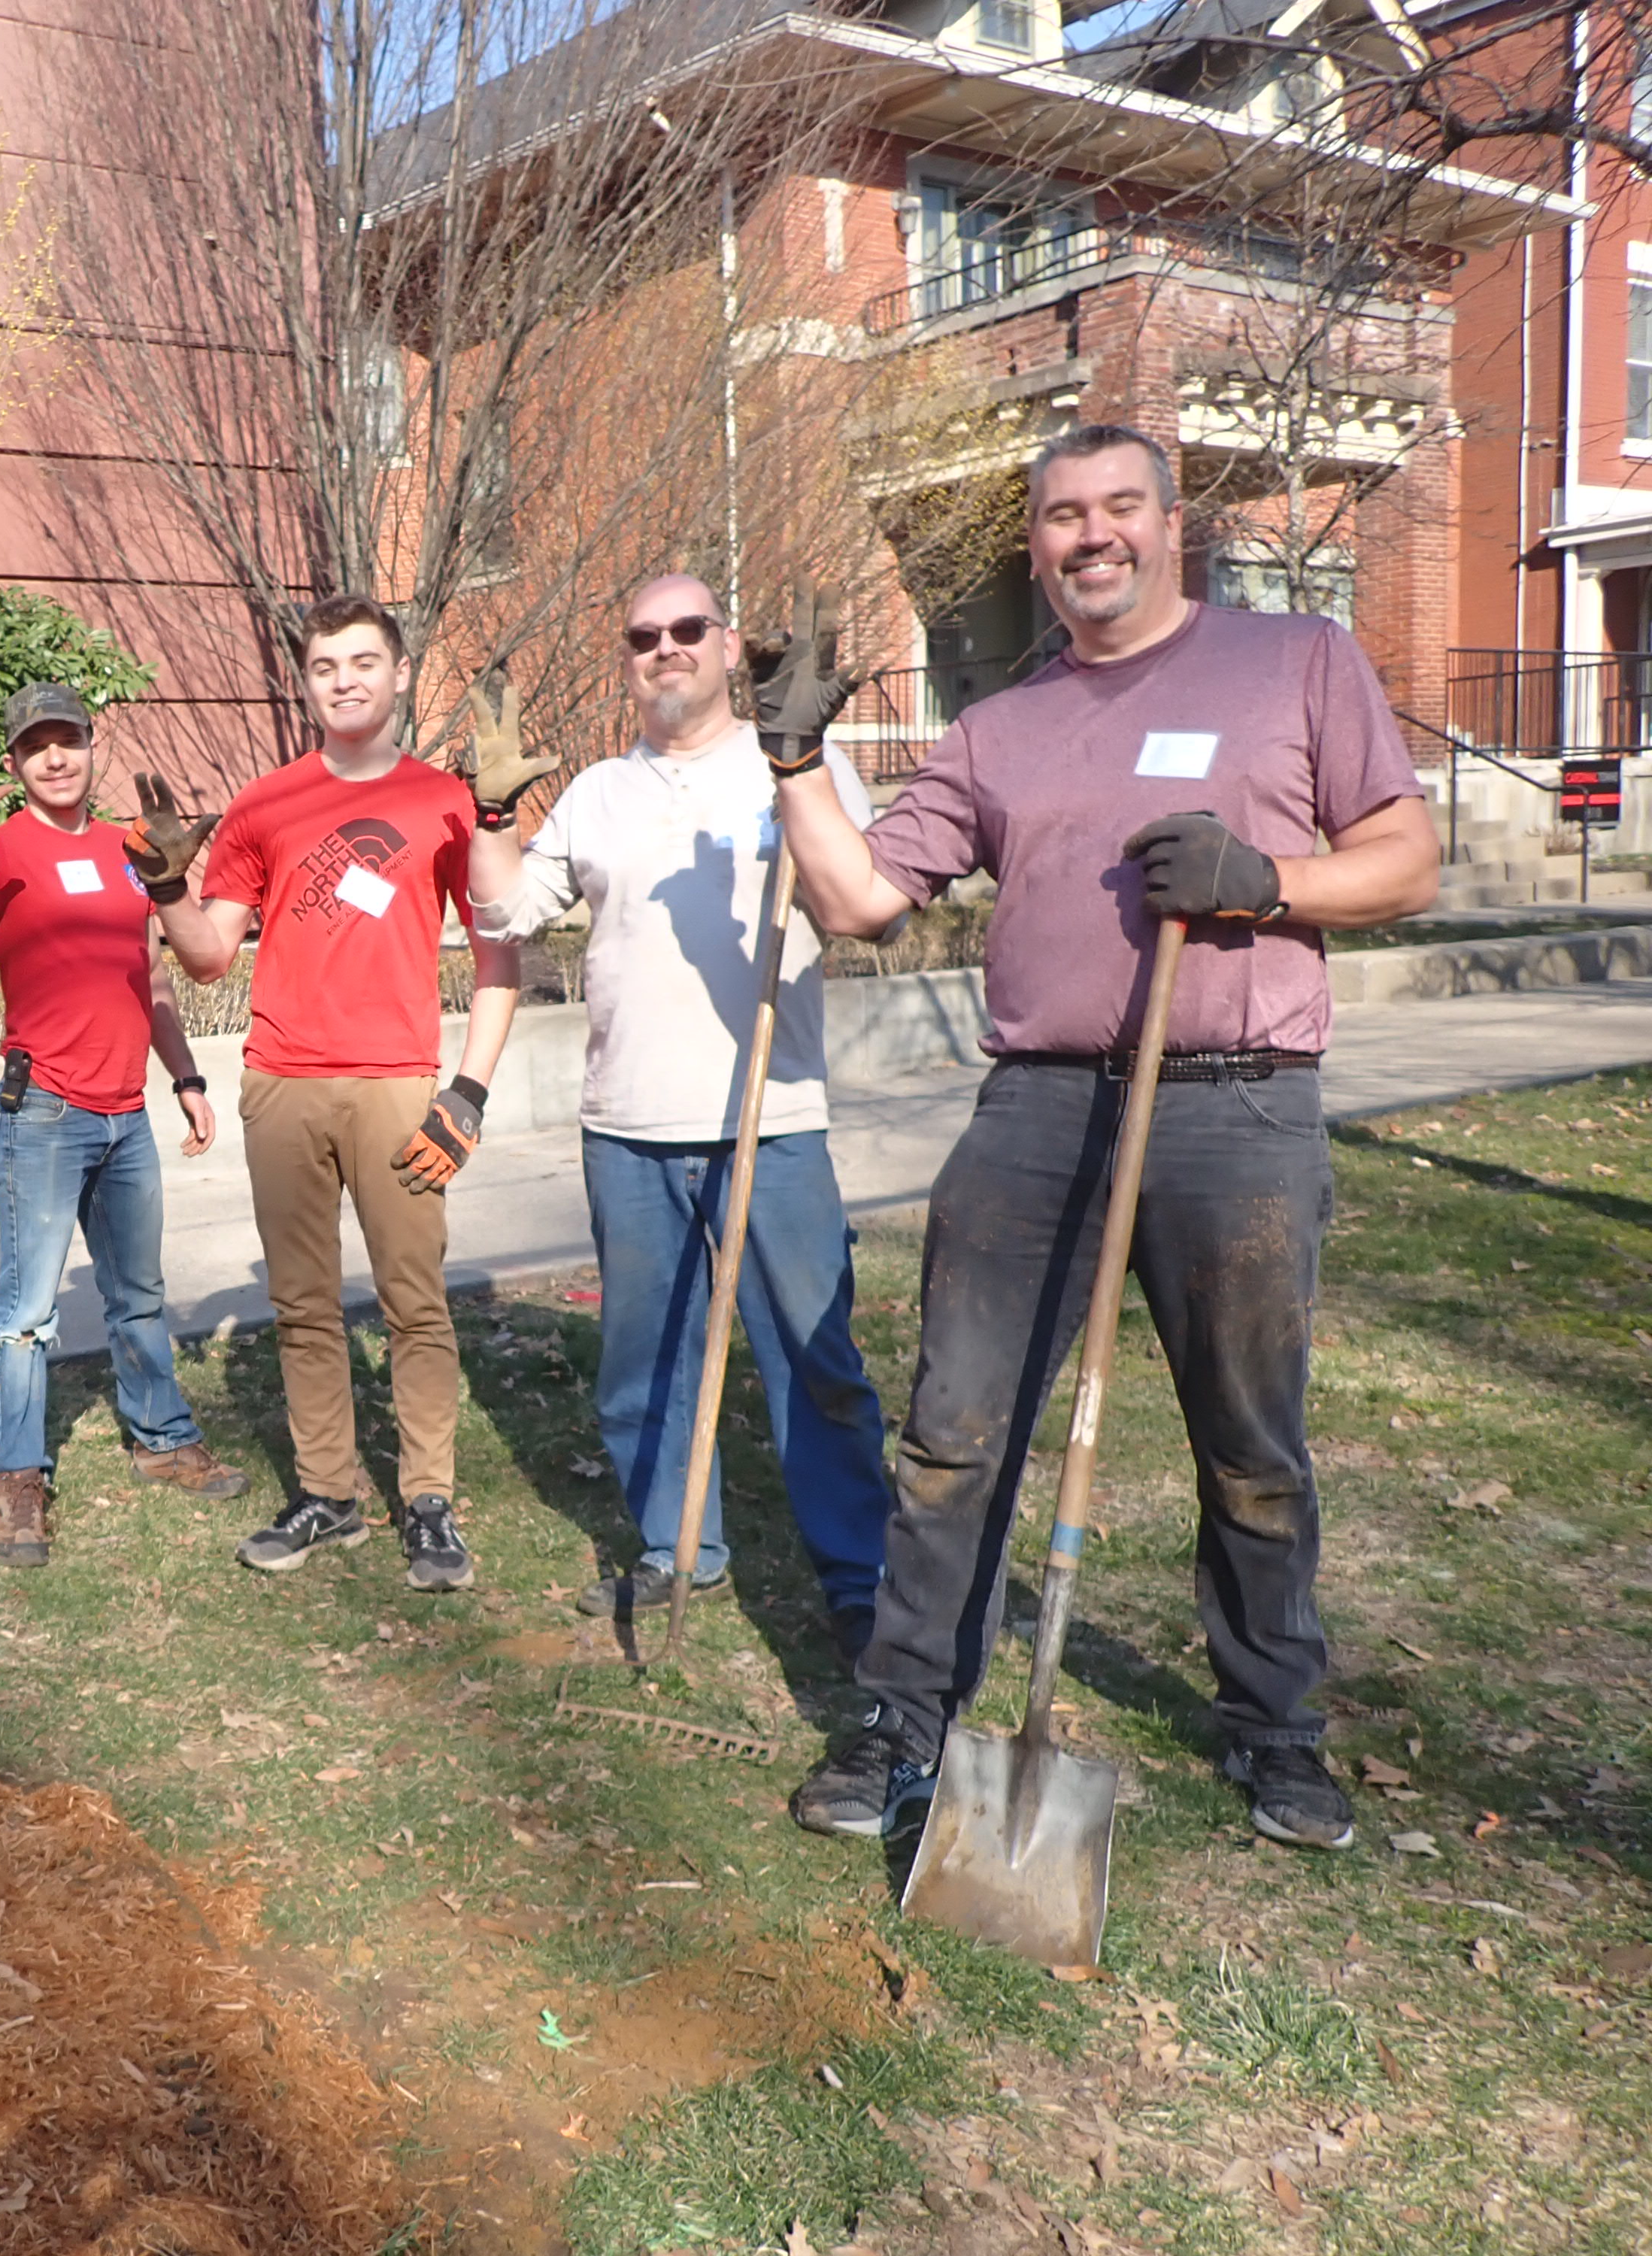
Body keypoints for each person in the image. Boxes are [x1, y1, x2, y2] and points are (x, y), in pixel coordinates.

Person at [765, 425, 1439, 1851]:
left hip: (1239, 1107)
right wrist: (792, 759)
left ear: (1171, 518)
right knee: (952, 1433)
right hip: (1039, 1110)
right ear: (1037, 546)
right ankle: (904, 1719)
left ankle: (1277, 1731)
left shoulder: (1297, 661)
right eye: (1063, 516)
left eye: (1120, 505)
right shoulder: (1000, 726)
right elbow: (859, 902)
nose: (1093, 536)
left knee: (1252, 1448)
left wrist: (1266, 882)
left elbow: (1406, 861)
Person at [462, 574, 893, 1664]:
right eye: (643, 635)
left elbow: (870, 900)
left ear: (728, 643)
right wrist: (491, 814)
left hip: (774, 1118)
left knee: (814, 1357)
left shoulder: (797, 758)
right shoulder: (602, 792)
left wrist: (799, 772)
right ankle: (675, 1544)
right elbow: (504, 911)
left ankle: (860, 1574)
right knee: (644, 1355)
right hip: (627, 1124)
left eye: (688, 630)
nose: (666, 649)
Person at [122, 594, 522, 1592]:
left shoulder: (447, 799)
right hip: (282, 1086)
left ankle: (428, 1503)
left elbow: (502, 949)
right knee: (302, 1305)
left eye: (361, 662)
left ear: (396, 677)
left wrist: (467, 1091)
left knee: (413, 1303)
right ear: (306, 685)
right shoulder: (265, 805)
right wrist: (169, 887)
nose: (343, 680)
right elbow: (211, 958)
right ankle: (329, 1496)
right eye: (324, 666)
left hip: (397, 1088)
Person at [0, 682, 250, 1567]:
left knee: (140, 1294)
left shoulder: (133, 848)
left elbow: (154, 978)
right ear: (13, 761)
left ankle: (161, 1440)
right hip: (42, 1113)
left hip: (126, 1113)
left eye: (70, 739)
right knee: (25, 1312)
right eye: (35, 744)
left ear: (91, 746)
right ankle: (16, 1478)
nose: (55, 757)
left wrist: (187, 1076)